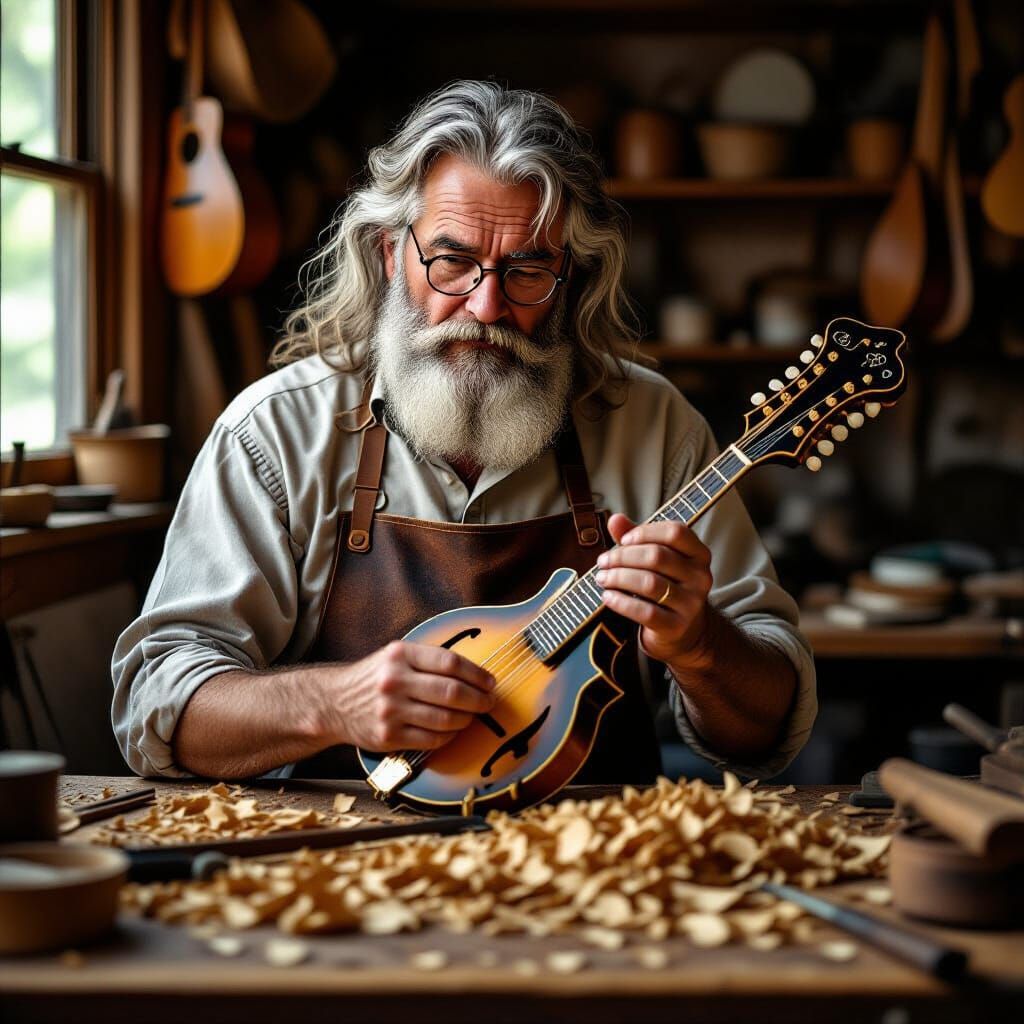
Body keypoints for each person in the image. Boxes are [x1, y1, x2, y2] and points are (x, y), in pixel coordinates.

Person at [112, 80, 816, 784]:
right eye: (451, 260)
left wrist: (701, 647)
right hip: (335, 871)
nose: (486, 305)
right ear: (392, 255)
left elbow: (766, 731)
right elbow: (158, 707)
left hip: (597, 867)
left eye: (528, 270)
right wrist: (331, 703)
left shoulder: (656, 430)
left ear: (569, 279)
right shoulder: (275, 434)